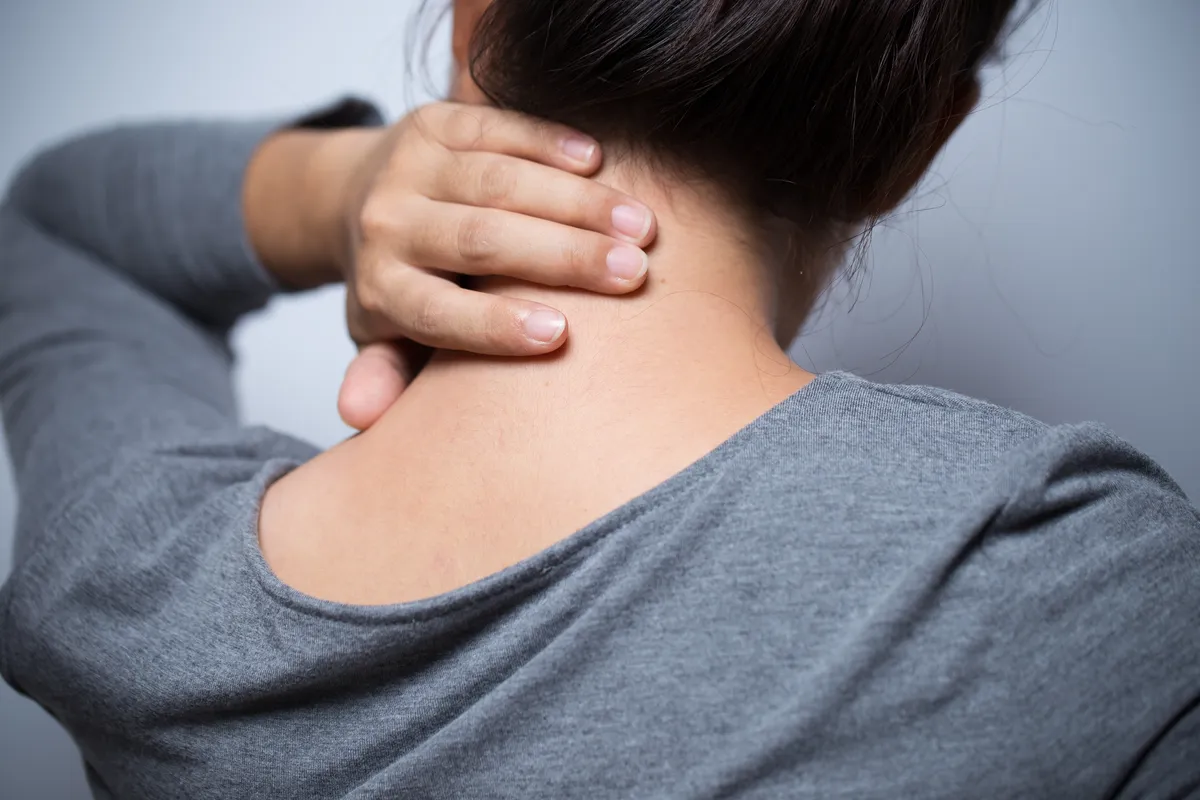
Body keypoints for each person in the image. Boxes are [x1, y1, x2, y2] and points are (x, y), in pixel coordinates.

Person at [1, 0, 1197, 797]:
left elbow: (52, 220)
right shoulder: (1076, 584)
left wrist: (341, 190)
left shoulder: (137, 586)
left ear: (475, 19)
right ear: (916, 137)